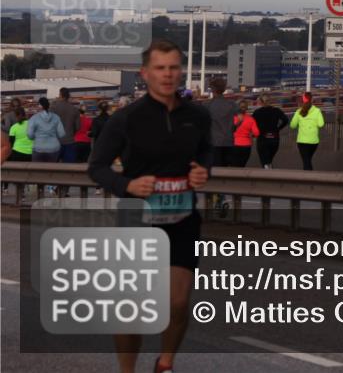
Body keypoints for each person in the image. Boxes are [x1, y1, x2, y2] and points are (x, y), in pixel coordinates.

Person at [89, 38, 212, 373]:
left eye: (173, 68)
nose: (167, 74)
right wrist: (126, 185)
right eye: (160, 68)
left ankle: (165, 363)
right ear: (145, 73)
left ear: (181, 71)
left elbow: (205, 151)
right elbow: (96, 167)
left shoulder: (197, 116)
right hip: (138, 222)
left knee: (178, 302)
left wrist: (203, 170)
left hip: (182, 219)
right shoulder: (125, 119)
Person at [205, 78, 238, 169]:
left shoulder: (207, 105)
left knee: (215, 169)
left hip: (213, 141)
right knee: (226, 168)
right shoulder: (232, 104)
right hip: (228, 141)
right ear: (224, 89)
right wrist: (233, 128)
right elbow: (240, 118)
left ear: (212, 89)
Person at [252, 94, 289, 169]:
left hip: (262, 139)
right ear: (270, 101)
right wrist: (278, 128)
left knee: (264, 161)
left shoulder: (257, 112)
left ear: (261, 102)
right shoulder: (277, 110)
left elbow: (251, 124)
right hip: (274, 138)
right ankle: (269, 170)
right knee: (269, 160)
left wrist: (254, 133)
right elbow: (286, 120)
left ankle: (267, 172)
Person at [290, 92, 325, 170]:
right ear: (312, 100)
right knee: (307, 160)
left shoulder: (299, 111)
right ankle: (308, 175)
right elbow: (321, 124)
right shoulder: (317, 111)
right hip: (314, 141)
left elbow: (292, 125)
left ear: (302, 100)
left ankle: (308, 176)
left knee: (306, 161)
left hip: (302, 141)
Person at [27, 97, 65, 164]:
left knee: (37, 169)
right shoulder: (56, 117)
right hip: (54, 148)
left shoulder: (34, 118)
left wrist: (36, 137)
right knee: (51, 169)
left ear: (40, 106)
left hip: (38, 148)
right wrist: (53, 136)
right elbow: (62, 134)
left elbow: (29, 134)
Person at [50, 87, 80, 162]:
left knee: (52, 166)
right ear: (68, 96)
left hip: (55, 141)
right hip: (69, 141)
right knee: (68, 166)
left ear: (60, 95)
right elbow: (78, 127)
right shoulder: (75, 109)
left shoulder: (53, 108)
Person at [231, 100, 259, 168]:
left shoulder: (232, 118)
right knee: (242, 165)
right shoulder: (251, 119)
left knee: (235, 166)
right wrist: (251, 135)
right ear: (247, 108)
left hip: (234, 144)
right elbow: (257, 133)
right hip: (246, 146)